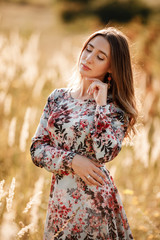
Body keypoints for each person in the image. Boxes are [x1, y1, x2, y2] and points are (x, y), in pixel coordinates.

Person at [30, 27, 138, 240]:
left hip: (95, 203)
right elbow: (37, 149)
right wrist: (72, 161)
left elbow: (103, 154)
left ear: (112, 68)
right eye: (88, 49)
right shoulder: (58, 98)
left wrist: (100, 106)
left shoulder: (115, 108)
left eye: (100, 57)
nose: (88, 58)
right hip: (60, 201)